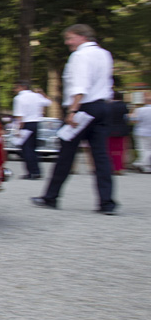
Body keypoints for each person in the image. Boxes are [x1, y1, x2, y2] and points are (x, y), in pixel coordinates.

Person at [31, 24, 117, 215]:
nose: (67, 42)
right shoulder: (104, 54)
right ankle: (107, 202)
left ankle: (51, 197)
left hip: (84, 107)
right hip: (102, 106)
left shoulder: (80, 56)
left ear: (82, 37)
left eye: (70, 38)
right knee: (101, 156)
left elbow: (80, 85)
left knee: (66, 154)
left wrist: (72, 110)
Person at [11, 81, 51, 180]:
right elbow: (48, 102)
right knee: (33, 148)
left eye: (16, 88)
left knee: (26, 149)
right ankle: (36, 171)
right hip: (36, 123)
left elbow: (19, 115)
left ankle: (31, 172)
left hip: (25, 123)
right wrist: (42, 93)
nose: (15, 90)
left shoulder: (19, 98)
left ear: (21, 87)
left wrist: (17, 129)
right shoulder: (36, 96)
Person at [106, 91, 130, 175]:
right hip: (122, 130)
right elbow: (126, 118)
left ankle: (111, 167)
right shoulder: (124, 106)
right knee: (120, 150)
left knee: (109, 150)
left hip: (109, 130)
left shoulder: (108, 106)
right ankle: (119, 168)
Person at [131, 96, 151, 173]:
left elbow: (134, 120)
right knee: (148, 150)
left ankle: (139, 163)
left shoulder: (139, 110)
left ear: (145, 101)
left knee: (142, 149)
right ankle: (146, 166)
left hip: (141, 132)